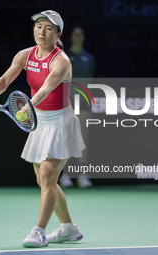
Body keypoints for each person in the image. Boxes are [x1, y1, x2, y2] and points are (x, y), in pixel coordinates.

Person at [0, 10, 85, 248]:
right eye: (38, 26)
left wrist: (27, 107)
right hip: (39, 121)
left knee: (48, 176)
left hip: (60, 121)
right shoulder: (25, 55)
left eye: (49, 28)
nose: (42, 31)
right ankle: (69, 228)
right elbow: (5, 80)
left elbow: (47, 88)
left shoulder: (61, 61)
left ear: (58, 34)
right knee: (43, 179)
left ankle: (39, 231)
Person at [60, 26, 96, 188]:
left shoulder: (89, 58)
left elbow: (90, 81)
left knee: (84, 138)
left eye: (81, 34)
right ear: (71, 38)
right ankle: (65, 174)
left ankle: (82, 175)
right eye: (76, 34)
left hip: (84, 103)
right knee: (67, 137)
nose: (79, 37)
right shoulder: (65, 57)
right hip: (67, 102)